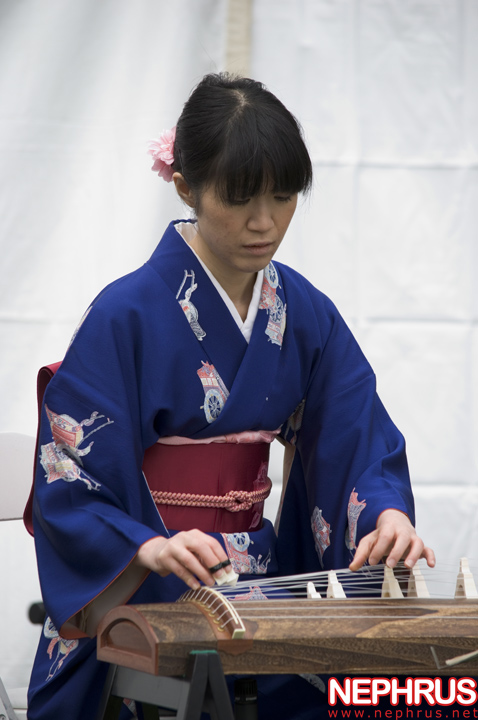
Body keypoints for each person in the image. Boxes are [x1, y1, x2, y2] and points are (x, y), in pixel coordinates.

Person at [25, 73, 434, 720]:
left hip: (261, 590)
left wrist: (385, 515)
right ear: (186, 185)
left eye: (282, 196)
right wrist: (144, 546)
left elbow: (353, 428)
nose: (264, 222)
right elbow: (70, 476)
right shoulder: (124, 314)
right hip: (153, 587)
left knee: (409, 695)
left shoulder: (301, 312)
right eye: (240, 198)